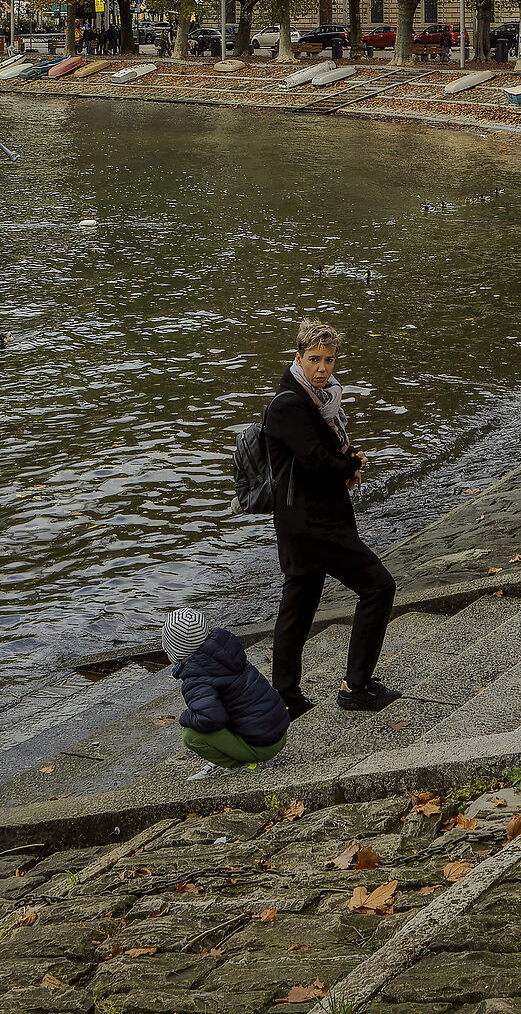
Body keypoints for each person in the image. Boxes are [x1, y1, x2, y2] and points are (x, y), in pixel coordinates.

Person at [264, 318, 399, 716]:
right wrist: (350, 463)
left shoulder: (321, 400)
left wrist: (346, 464)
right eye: (314, 360)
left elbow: (324, 455)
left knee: (298, 609)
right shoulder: (290, 403)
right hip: (312, 524)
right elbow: (316, 461)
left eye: (329, 360)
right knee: (378, 588)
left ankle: (286, 698)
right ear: (298, 358)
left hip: (308, 520)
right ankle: (355, 687)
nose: (323, 368)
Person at [161, 606, 291, 773]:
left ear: (176, 653)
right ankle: (238, 753)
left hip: (264, 745)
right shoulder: (226, 655)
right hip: (278, 731)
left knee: (191, 736)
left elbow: (211, 719)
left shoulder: (196, 681)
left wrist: (185, 717)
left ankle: (240, 765)